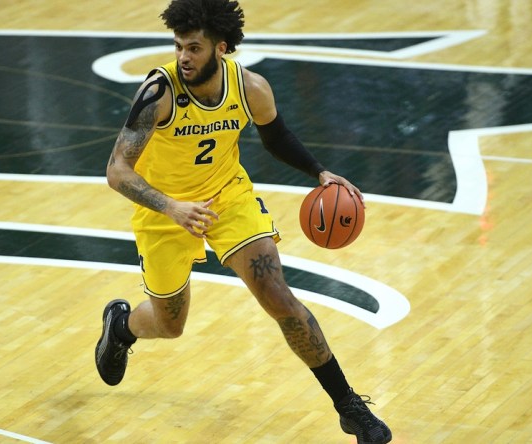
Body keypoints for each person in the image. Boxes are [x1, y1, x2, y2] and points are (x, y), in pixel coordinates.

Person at [95, 0, 392, 442]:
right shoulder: (158, 93)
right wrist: (172, 207)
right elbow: (117, 170)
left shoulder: (250, 87)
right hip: (165, 212)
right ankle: (120, 327)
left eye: (194, 48)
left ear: (223, 47)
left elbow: (277, 137)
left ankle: (348, 406)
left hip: (227, 198)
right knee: (170, 324)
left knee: (278, 296)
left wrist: (319, 172)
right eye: (179, 46)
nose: (183, 57)